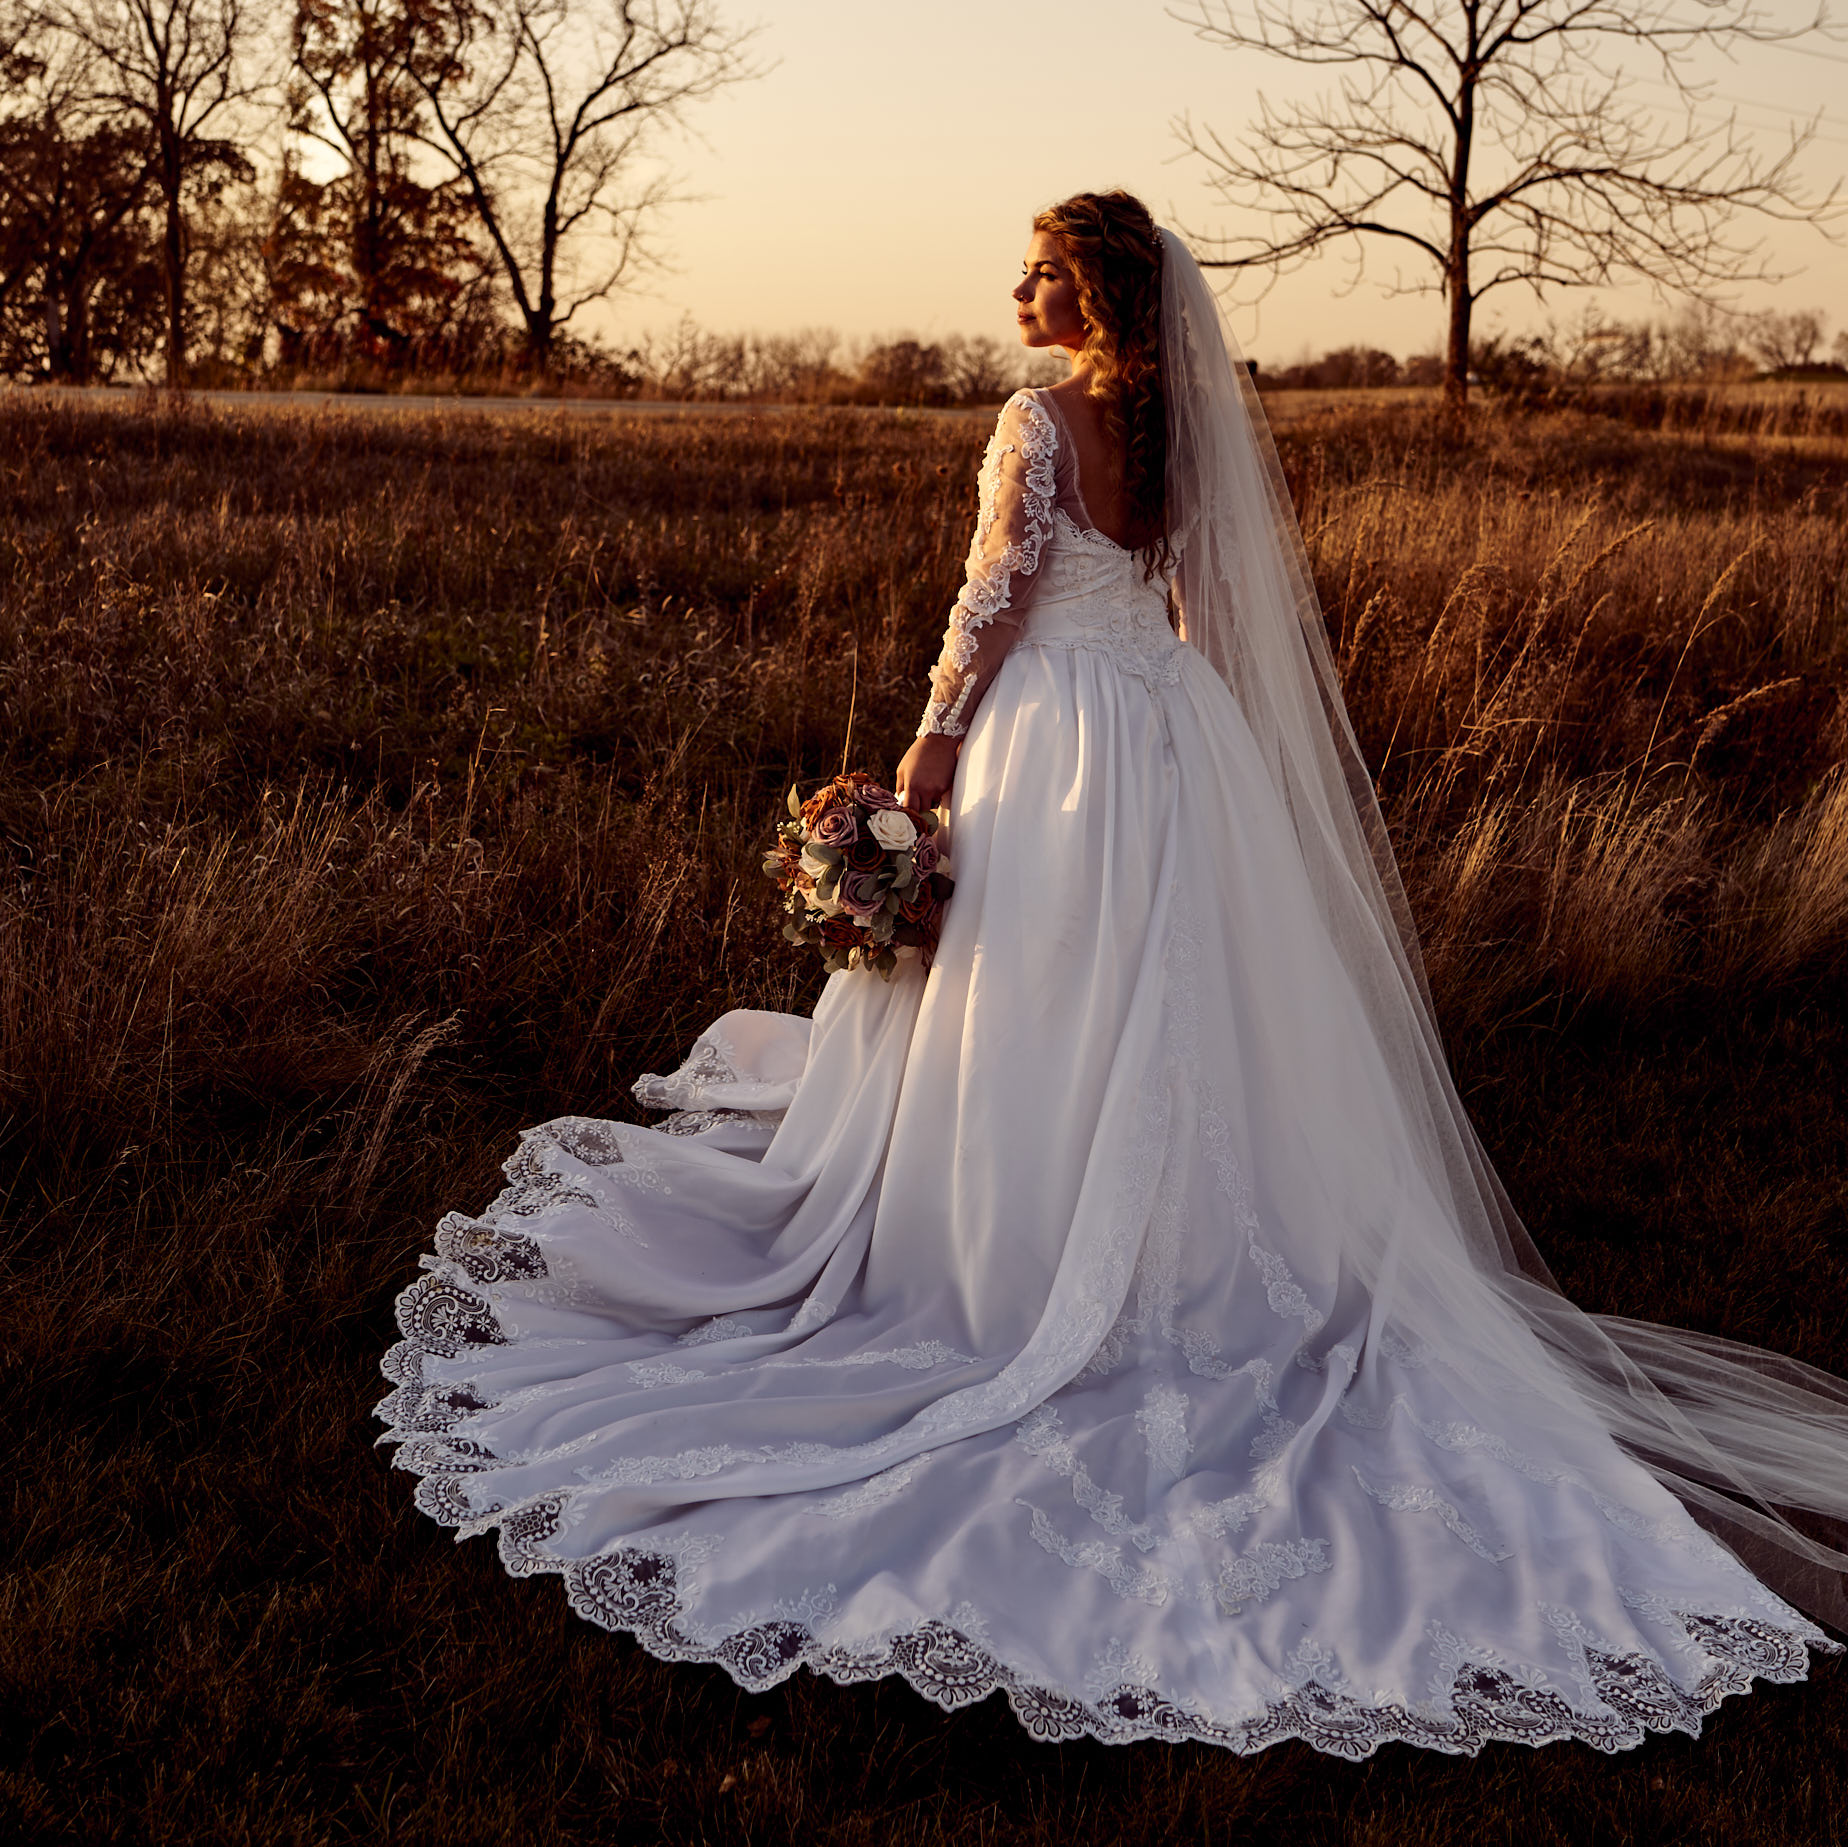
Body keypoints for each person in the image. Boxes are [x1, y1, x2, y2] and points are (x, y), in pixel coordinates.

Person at [377, 191, 1847, 1755]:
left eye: (1044, 272)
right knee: (1180, 998)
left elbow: (993, 599)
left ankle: (1012, 1257)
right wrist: (1194, 731)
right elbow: (1209, 616)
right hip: (1172, 732)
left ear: (1093, 298)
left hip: (1056, 743)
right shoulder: (1184, 428)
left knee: (1039, 990)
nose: (1018, 289)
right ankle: (1203, 1244)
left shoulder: (1034, 419)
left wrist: (924, 766)